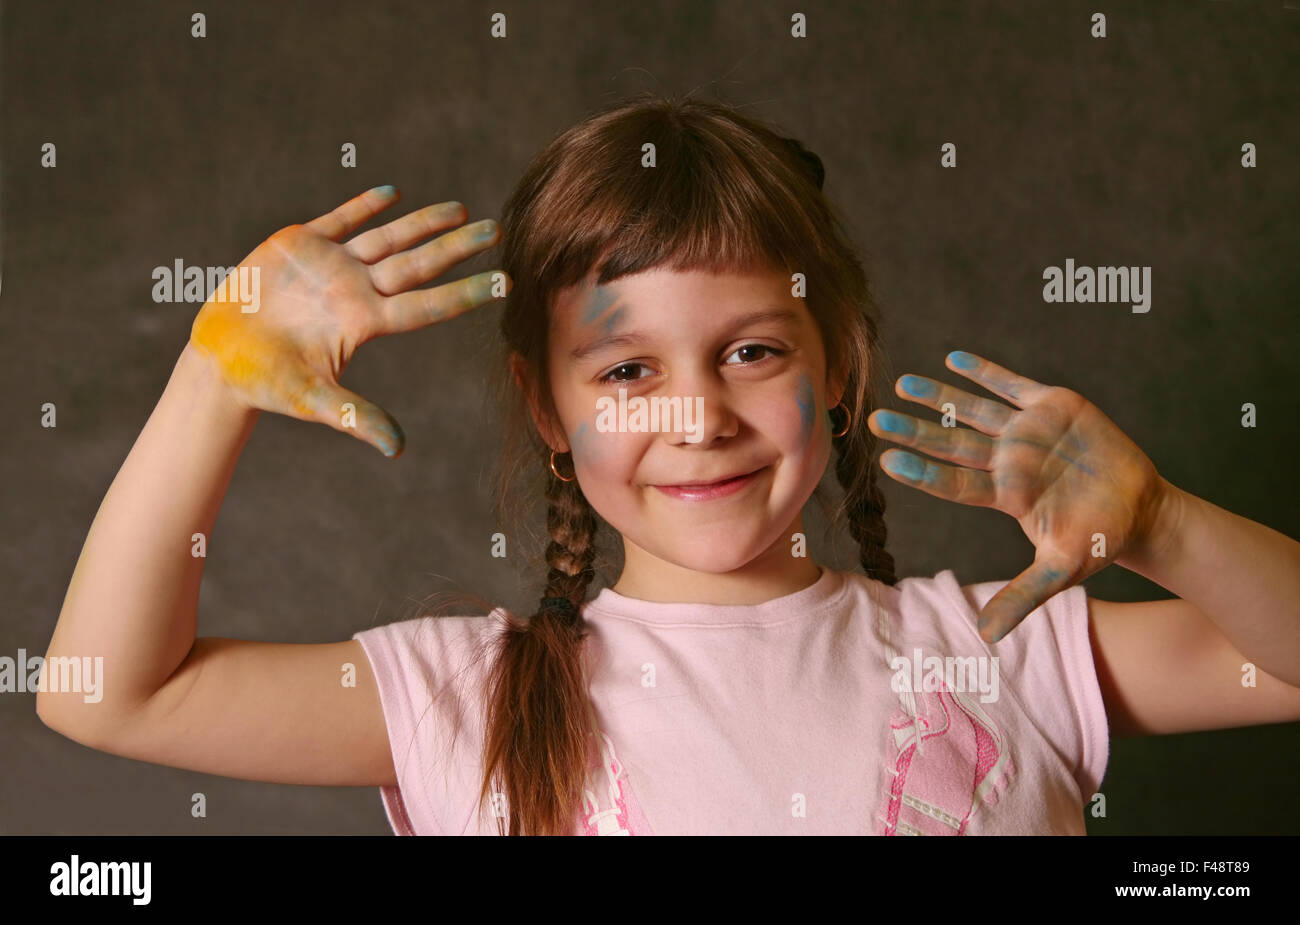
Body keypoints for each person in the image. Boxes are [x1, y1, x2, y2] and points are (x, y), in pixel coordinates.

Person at [37, 93, 1300, 836]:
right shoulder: (462, 698)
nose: (695, 418)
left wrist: (1162, 525)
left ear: (842, 364)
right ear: (546, 403)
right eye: (627, 371)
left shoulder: (1001, 650)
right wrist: (212, 376)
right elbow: (104, 693)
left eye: (749, 350)